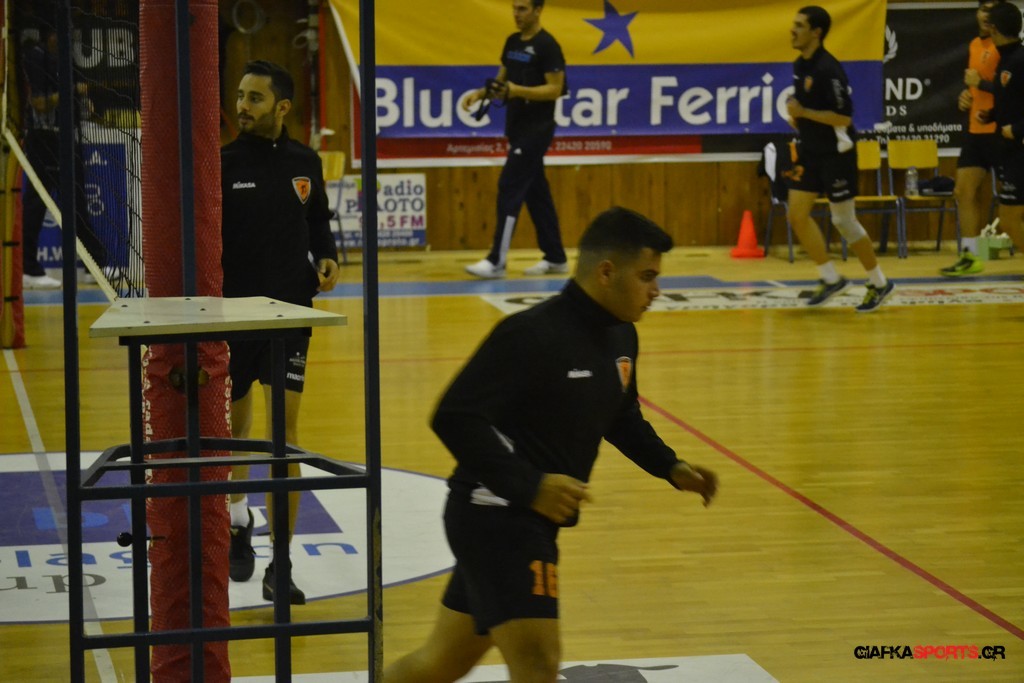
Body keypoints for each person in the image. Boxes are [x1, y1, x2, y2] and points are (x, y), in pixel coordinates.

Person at [383, 207, 719, 682]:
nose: (656, 290)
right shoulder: (530, 334)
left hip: (524, 520)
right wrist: (531, 486)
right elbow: (454, 416)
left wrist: (670, 466)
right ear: (606, 272)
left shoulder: (622, 336)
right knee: (538, 667)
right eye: (646, 277)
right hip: (496, 518)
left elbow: (621, 415)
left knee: (439, 664)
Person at [221, 60, 340, 605]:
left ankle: (281, 563)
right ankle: (237, 519)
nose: (242, 106)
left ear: (282, 107)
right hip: (233, 316)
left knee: (284, 439)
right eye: (240, 96)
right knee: (233, 431)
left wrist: (328, 255)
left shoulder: (305, 161)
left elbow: (317, 220)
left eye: (255, 98)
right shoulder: (222, 164)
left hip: (290, 314)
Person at [785, 6, 895, 312]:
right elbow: (807, 108)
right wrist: (799, 118)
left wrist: (805, 113)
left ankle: (880, 282)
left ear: (816, 32)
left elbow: (844, 117)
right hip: (811, 152)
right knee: (796, 215)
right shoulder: (800, 64)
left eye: (799, 25)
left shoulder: (828, 69)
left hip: (837, 154)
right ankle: (831, 278)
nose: (792, 30)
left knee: (843, 221)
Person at [462, 0, 569, 279]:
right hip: (517, 127)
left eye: (523, 9)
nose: (516, 14)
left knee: (509, 186)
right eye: (514, 8)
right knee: (536, 193)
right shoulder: (512, 42)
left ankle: (496, 260)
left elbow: (555, 89)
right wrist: (480, 94)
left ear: (538, 10)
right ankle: (556, 257)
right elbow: (502, 81)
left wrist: (518, 90)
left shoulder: (547, 45)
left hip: (538, 129)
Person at [19, 24, 107, 289]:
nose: (68, 39)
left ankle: (94, 264)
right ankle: (28, 268)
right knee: (36, 204)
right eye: (62, 34)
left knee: (77, 204)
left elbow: (73, 96)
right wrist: (71, 92)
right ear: (51, 34)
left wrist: (83, 103)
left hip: (67, 140)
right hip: (43, 139)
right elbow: (39, 103)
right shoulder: (36, 57)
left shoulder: (65, 60)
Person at [942, 0, 1006, 277]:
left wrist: (981, 85)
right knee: (963, 191)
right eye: (983, 9)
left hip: (1001, 131)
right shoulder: (974, 45)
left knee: (1013, 204)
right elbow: (975, 87)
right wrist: (966, 95)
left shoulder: (1005, 47)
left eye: (993, 10)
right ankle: (970, 256)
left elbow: (1009, 89)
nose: (987, 15)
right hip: (975, 132)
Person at [978, 2, 1024, 258]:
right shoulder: (1006, 59)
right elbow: (1014, 100)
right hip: (1010, 149)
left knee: (1008, 218)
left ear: (994, 29)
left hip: (1019, 148)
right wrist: (993, 115)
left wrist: (1017, 129)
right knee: (1010, 217)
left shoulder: (1020, 60)